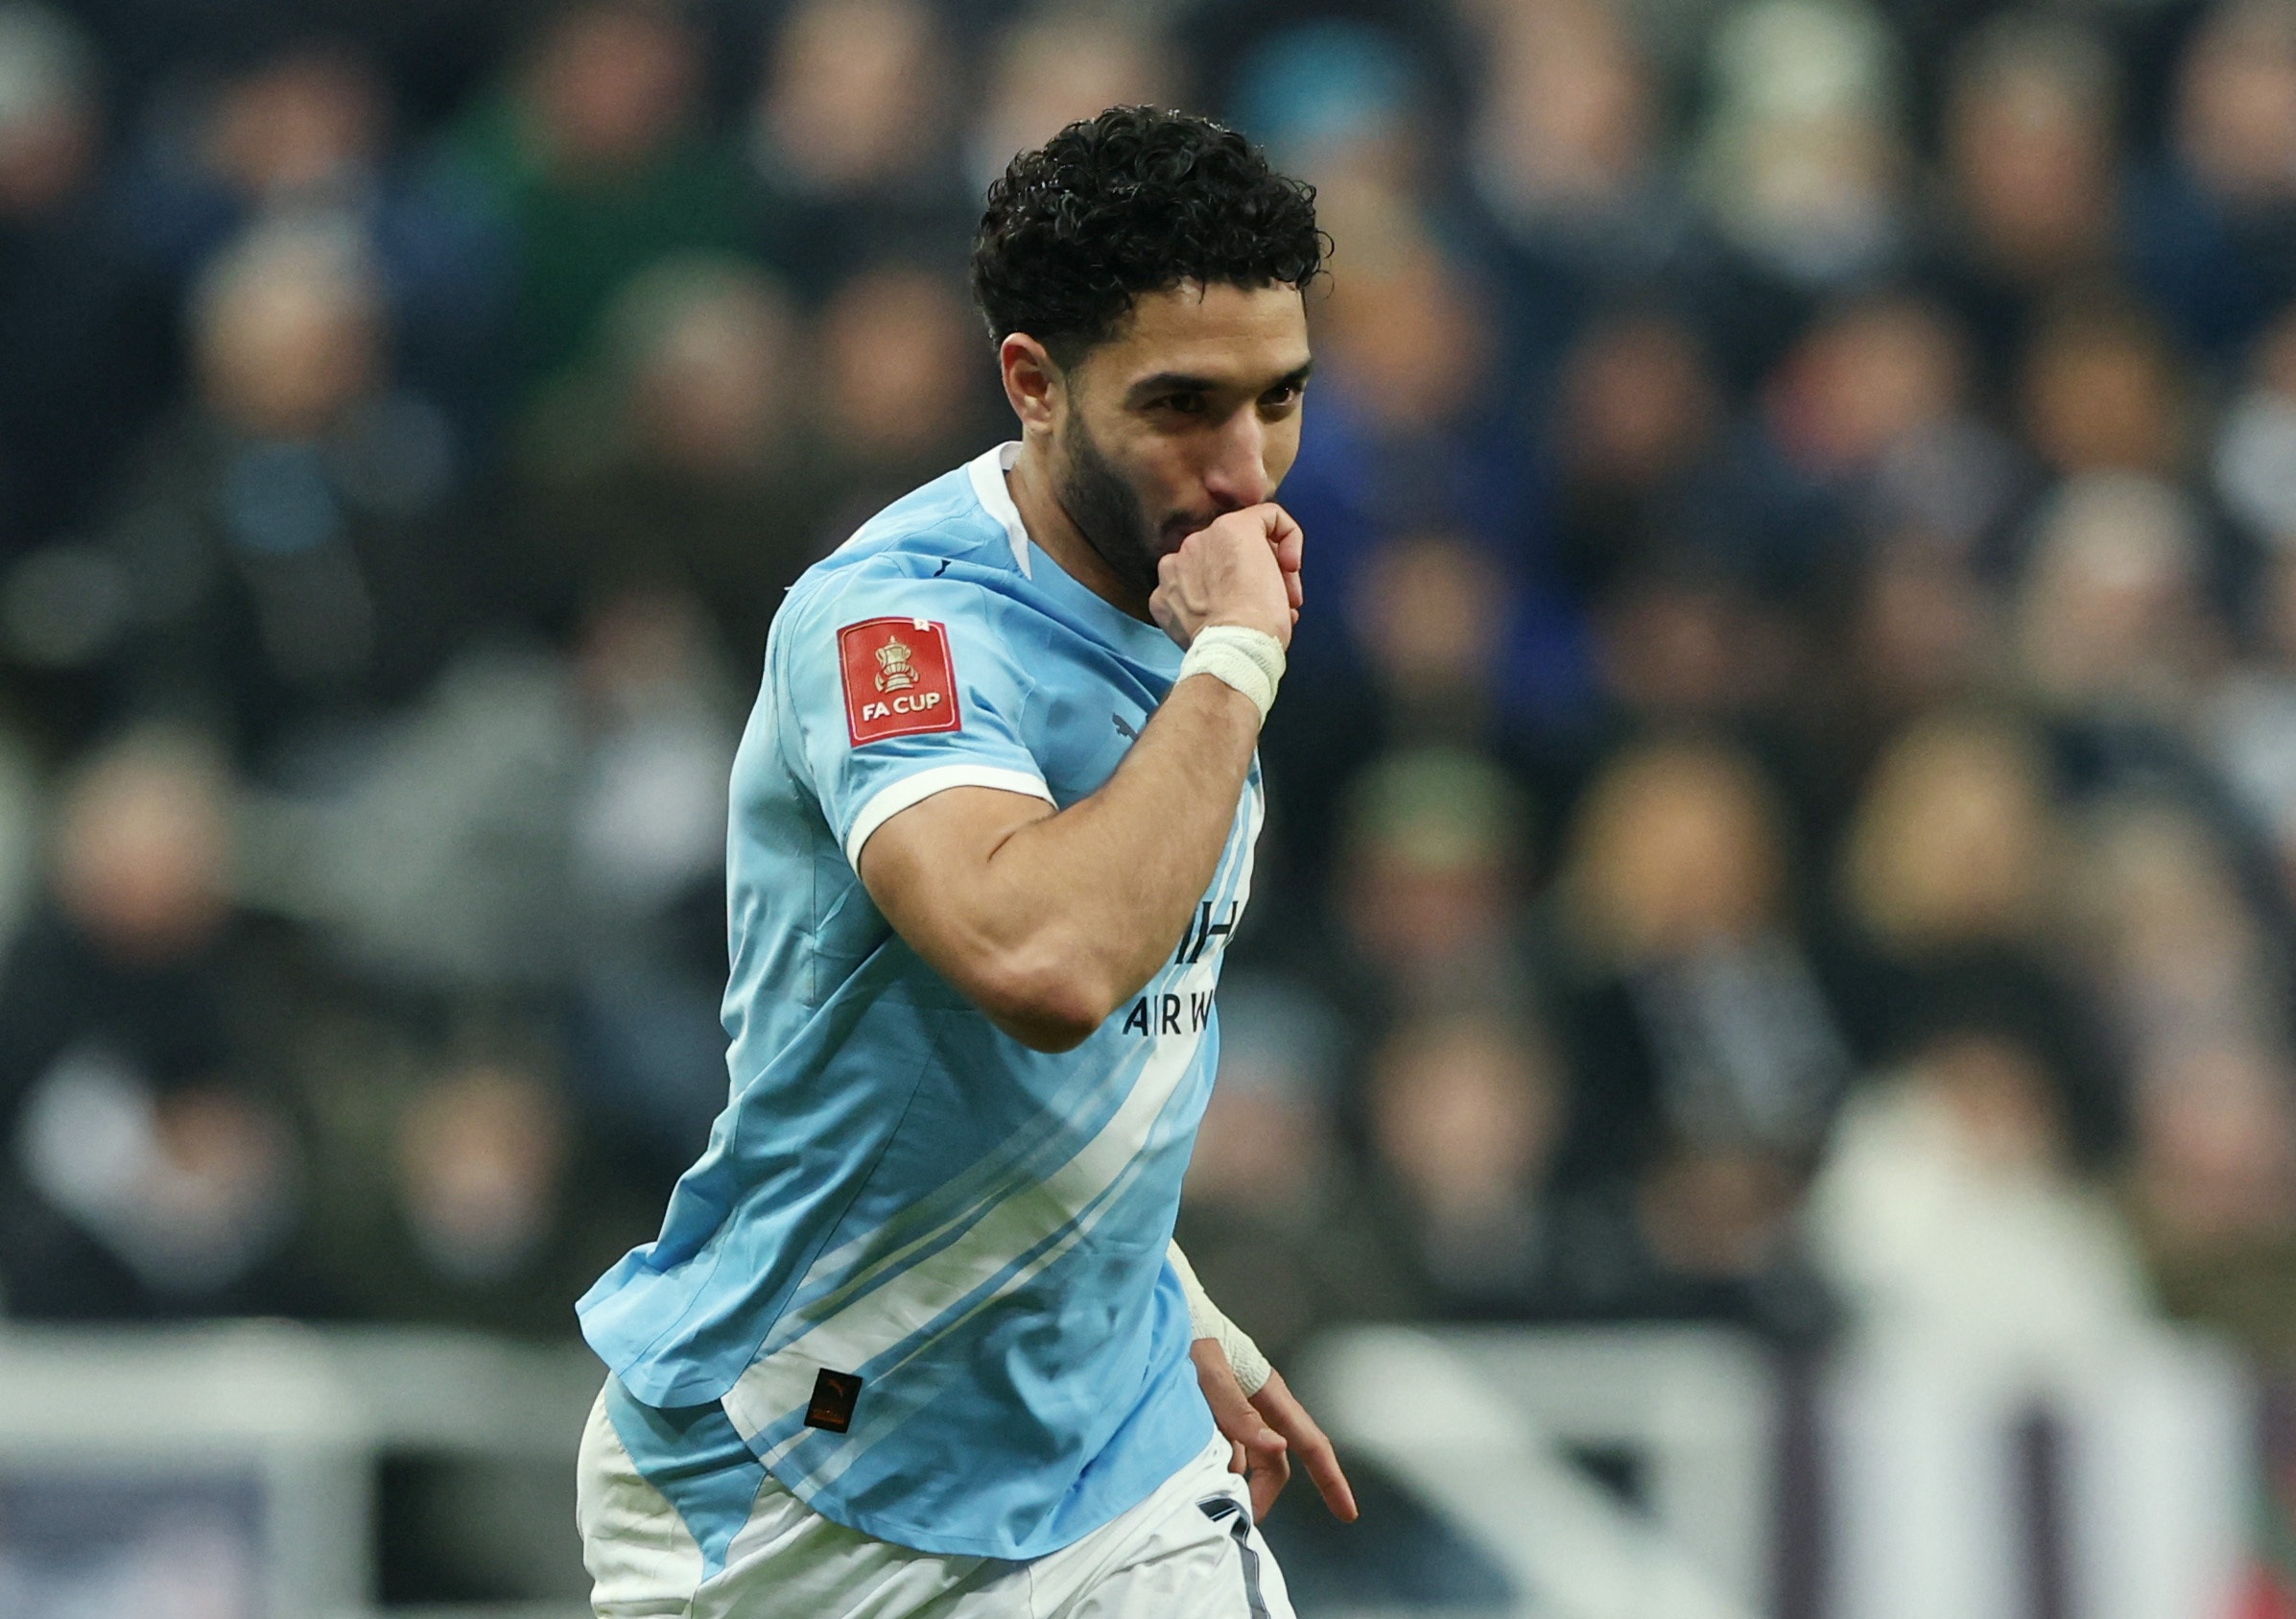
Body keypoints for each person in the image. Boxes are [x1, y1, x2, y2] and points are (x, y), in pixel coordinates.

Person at [573, 107, 1358, 1616]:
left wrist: (1161, 1294)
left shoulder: (1188, 612)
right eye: (1185, 405)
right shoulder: (898, 629)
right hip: (798, 1466)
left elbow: (1118, 1027)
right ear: (1033, 384)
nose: (1244, 470)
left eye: (1281, 400)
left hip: (1109, 1456)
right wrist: (1239, 662)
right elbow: (1044, 964)